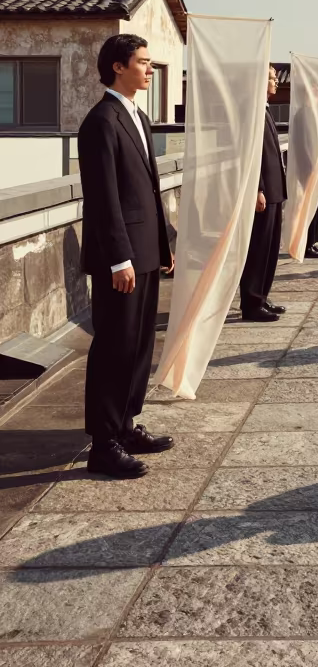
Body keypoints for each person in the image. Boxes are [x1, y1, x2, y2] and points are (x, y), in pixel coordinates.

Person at [79, 34, 175, 479]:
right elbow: (104, 198)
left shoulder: (136, 115)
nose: (150, 70)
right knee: (114, 347)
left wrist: (162, 246)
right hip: (122, 258)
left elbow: (148, 192)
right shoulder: (102, 120)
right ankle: (103, 444)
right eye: (143, 62)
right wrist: (120, 258)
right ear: (118, 67)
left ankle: (127, 424)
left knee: (139, 346)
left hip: (146, 251)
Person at [238, 65, 288, 322]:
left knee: (269, 248)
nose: (276, 82)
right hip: (263, 192)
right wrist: (257, 188)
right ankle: (252, 302)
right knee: (257, 248)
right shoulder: (251, 111)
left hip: (275, 190)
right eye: (271, 78)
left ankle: (262, 296)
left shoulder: (265, 110)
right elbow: (250, 153)